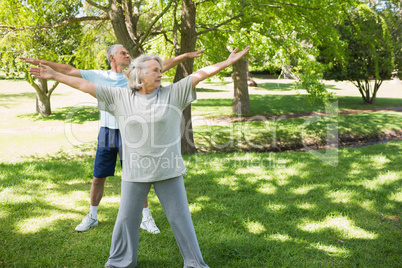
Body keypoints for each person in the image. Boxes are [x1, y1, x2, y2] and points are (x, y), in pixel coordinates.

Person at [29, 46, 249, 268]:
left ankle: (194, 264)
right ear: (140, 73)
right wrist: (55, 75)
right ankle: (120, 263)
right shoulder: (120, 97)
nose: (161, 74)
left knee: (181, 220)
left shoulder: (173, 93)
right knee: (126, 220)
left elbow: (200, 74)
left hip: (168, 170)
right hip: (135, 172)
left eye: (161, 70)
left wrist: (227, 62)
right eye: (155, 70)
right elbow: (85, 85)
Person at [20, 45, 205, 233]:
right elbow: (68, 70)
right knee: (98, 176)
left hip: (132, 135)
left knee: (138, 177)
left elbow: (164, 64)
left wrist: (186, 55)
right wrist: (42, 64)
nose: (127, 55)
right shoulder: (98, 76)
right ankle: (92, 215)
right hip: (108, 133)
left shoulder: (133, 74)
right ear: (112, 57)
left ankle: (146, 218)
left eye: (127, 53)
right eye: (122, 53)